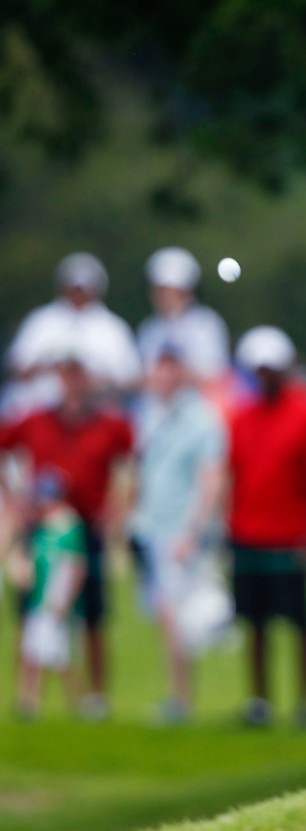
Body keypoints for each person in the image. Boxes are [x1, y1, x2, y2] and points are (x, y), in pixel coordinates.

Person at [0, 341, 133, 719]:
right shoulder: (36, 419)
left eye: (78, 373)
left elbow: (131, 459)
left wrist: (119, 507)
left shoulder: (109, 423)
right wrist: (14, 500)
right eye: (66, 373)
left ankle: (95, 696)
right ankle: (28, 695)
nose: (73, 382)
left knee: (92, 615)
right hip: (43, 528)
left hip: (85, 527)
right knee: (33, 612)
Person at [227, 326, 306, 728]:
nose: (266, 377)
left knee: (301, 624)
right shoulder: (241, 416)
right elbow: (234, 474)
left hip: (291, 536)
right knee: (254, 624)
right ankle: (260, 701)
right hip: (246, 532)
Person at [129, 342, 229, 723]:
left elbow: (210, 478)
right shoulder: (152, 414)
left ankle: (181, 699)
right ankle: (178, 696)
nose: (164, 377)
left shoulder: (201, 418)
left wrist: (193, 531)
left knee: (177, 616)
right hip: (153, 526)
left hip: (180, 531)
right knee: (165, 614)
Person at [3, 252, 141, 419]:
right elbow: (18, 366)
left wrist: (89, 381)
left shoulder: (112, 328)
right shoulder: (41, 321)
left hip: (94, 416)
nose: (78, 294)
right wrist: (52, 369)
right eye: (74, 288)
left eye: (83, 289)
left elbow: (130, 377)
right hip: (39, 412)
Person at [14, 469, 87, 719]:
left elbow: (76, 566)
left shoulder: (69, 527)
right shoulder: (41, 529)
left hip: (57, 603)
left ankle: (78, 705)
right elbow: (34, 564)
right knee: (32, 655)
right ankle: (29, 703)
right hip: (39, 601)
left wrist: (65, 601)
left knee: (62, 659)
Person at [137, 247, 232, 387]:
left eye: (166, 289)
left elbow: (216, 377)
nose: (161, 295)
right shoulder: (149, 328)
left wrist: (173, 374)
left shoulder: (206, 325)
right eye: (158, 289)